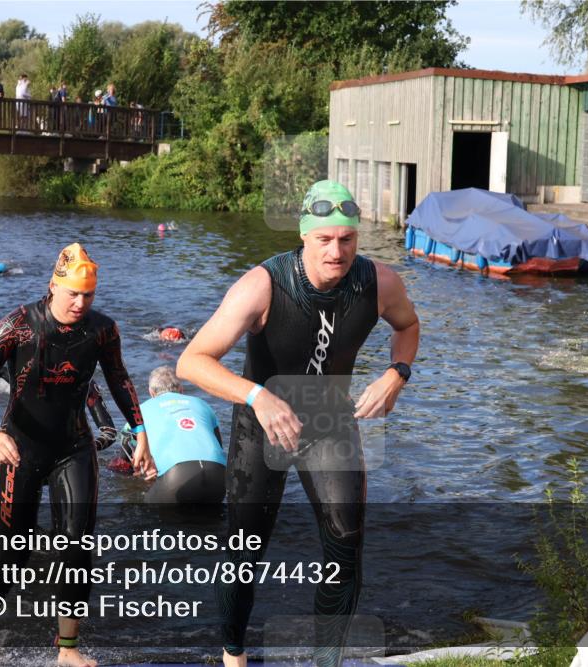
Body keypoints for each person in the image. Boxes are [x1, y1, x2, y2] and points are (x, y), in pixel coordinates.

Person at [177, 179, 420, 667]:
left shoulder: (380, 283)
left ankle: (326, 659)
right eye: (325, 239)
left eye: (347, 239)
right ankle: (233, 655)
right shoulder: (263, 285)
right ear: (305, 236)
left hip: (330, 420)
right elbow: (192, 361)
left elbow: (408, 327)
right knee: (246, 551)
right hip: (262, 424)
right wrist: (257, 395)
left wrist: (396, 374)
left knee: (346, 538)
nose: (337, 251)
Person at [0, 242, 156, 666]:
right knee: (16, 544)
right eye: (72, 293)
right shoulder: (18, 325)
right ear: (53, 287)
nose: (80, 303)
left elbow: (120, 379)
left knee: (78, 544)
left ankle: (67, 648)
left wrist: (141, 432)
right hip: (18, 446)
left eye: (88, 295)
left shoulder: (102, 329)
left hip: (74, 447)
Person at [141, 366, 225, 504]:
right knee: (211, 520)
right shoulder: (202, 404)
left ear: (151, 393)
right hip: (218, 473)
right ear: (181, 389)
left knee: (145, 511)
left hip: (177, 477)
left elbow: (124, 459)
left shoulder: (141, 409)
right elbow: (219, 446)